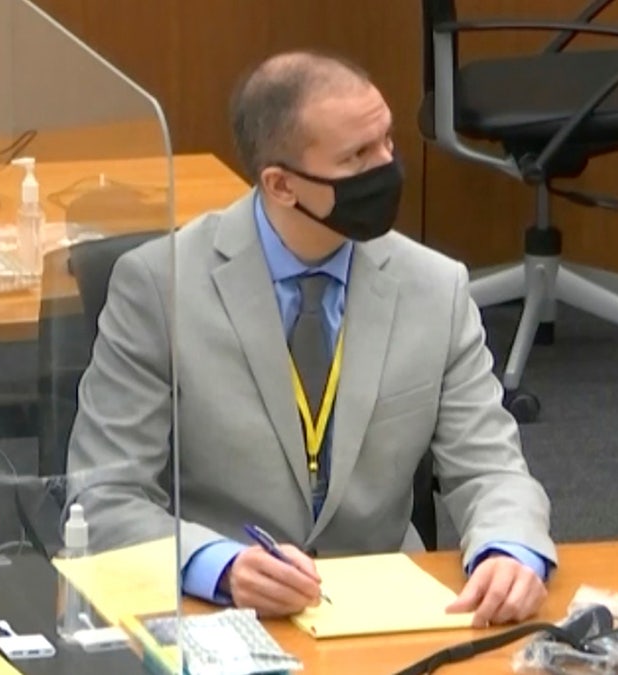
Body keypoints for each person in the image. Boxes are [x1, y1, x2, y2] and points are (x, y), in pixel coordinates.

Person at [65, 50, 557, 627]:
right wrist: (218, 566)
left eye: (387, 144)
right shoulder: (159, 286)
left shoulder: (435, 286)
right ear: (281, 185)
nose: (387, 169)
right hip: (218, 617)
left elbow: (491, 470)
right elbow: (102, 497)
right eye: (357, 158)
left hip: (388, 610)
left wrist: (509, 548)